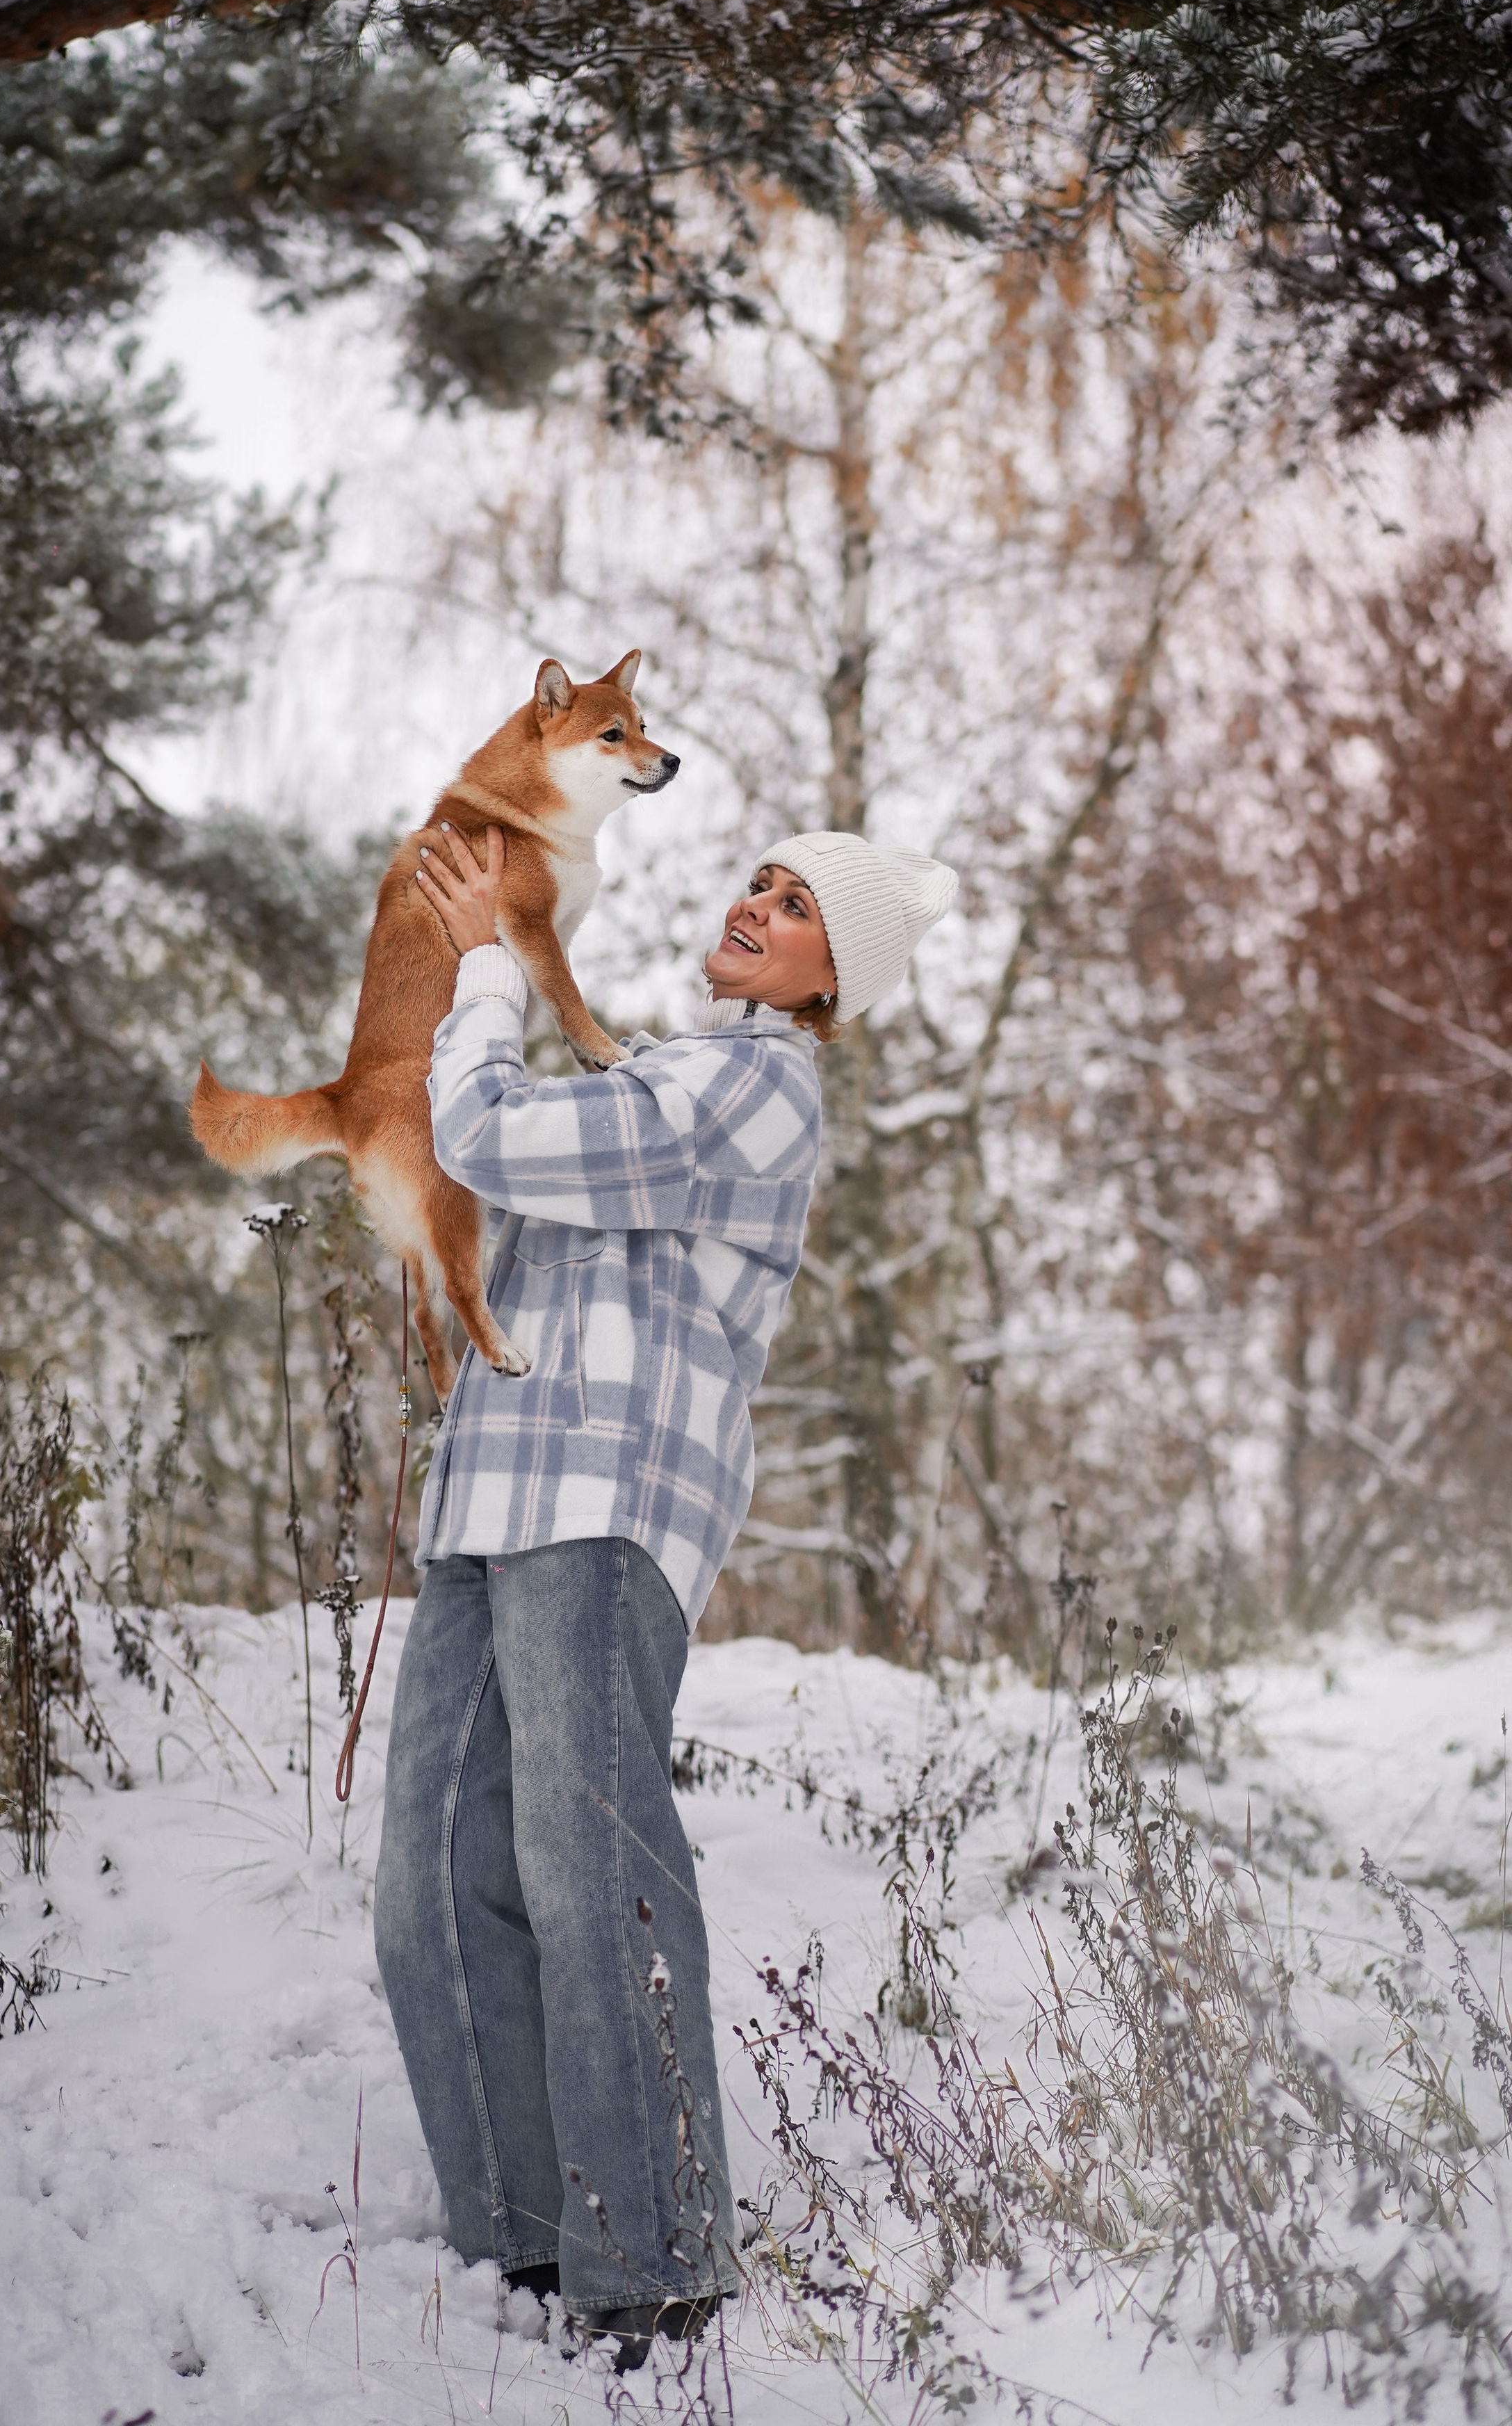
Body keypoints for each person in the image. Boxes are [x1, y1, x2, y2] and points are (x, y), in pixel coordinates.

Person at [372, 820, 957, 2367]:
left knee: (586, 1868)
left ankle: (654, 2253)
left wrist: (489, 973)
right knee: (431, 1880)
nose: (756, 904)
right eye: (758, 880)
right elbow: (494, 1146)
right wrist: (480, 971)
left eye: (799, 903)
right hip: (492, 1493)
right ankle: (523, 2242)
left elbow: (486, 1136)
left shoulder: (752, 1086)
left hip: (607, 1498)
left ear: (842, 975)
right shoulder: (664, 1076)